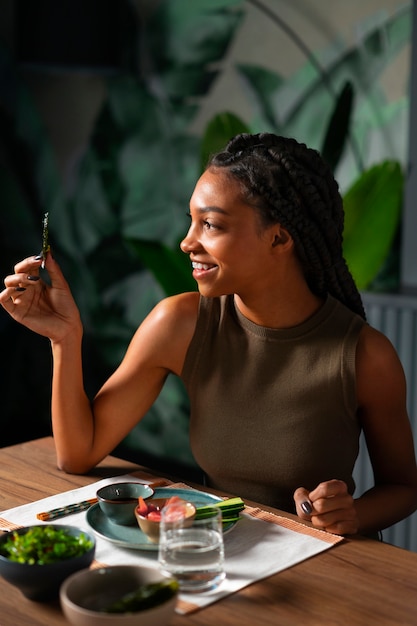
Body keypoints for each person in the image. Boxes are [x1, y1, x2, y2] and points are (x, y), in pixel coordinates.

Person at [1, 132, 417, 537]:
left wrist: (353, 515)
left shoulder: (365, 355)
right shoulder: (179, 324)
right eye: (192, 223)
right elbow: (78, 453)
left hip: (323, 568)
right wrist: (64, 338)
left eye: (211, 225)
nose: (187, 243)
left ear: (279, 238)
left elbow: (404, 488)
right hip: (212, 553)